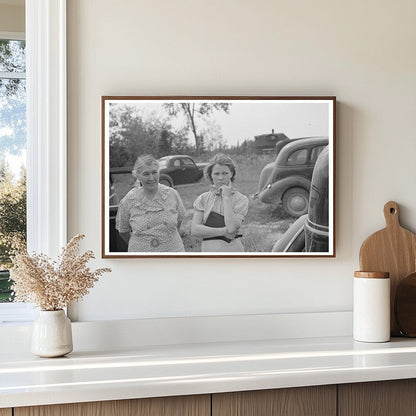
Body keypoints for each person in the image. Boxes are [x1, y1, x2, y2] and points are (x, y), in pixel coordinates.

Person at [115, 155, 185, 252]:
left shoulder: (172, 194)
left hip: (173, 252)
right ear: (137, 175)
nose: (151, 178)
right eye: (146, 174)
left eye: (154, 172)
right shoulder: (129, 200)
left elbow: (179, 220)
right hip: (141, 258)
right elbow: (123, 231)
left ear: (159, 173)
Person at [191, 153, 249, 252]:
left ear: (231, 173)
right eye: (216, 174)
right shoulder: (203, 199)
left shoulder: (240, 199)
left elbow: (231, 228)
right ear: (210, 175)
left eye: (225, 173)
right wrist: (223, 231)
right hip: (208, 256)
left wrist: (226, 198)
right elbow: (195, 230)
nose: (221, 178)